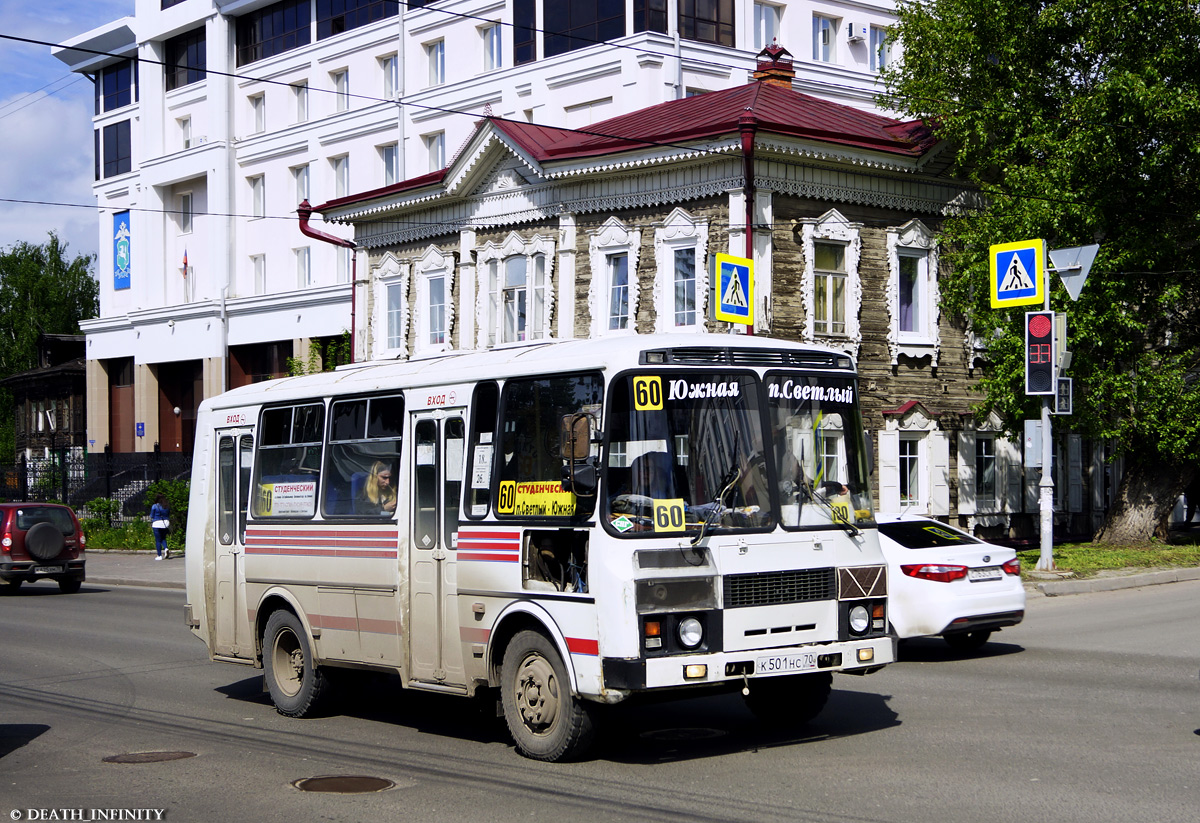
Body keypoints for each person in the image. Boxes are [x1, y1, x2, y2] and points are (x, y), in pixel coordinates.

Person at [150, 494, 170, 560]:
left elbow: (152, 515)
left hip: (157, 523)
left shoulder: (155, 506)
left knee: (158, 540)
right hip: (165, 523)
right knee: (163, 538)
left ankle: (159, 555)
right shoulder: (166, 506)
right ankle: (166, 548)